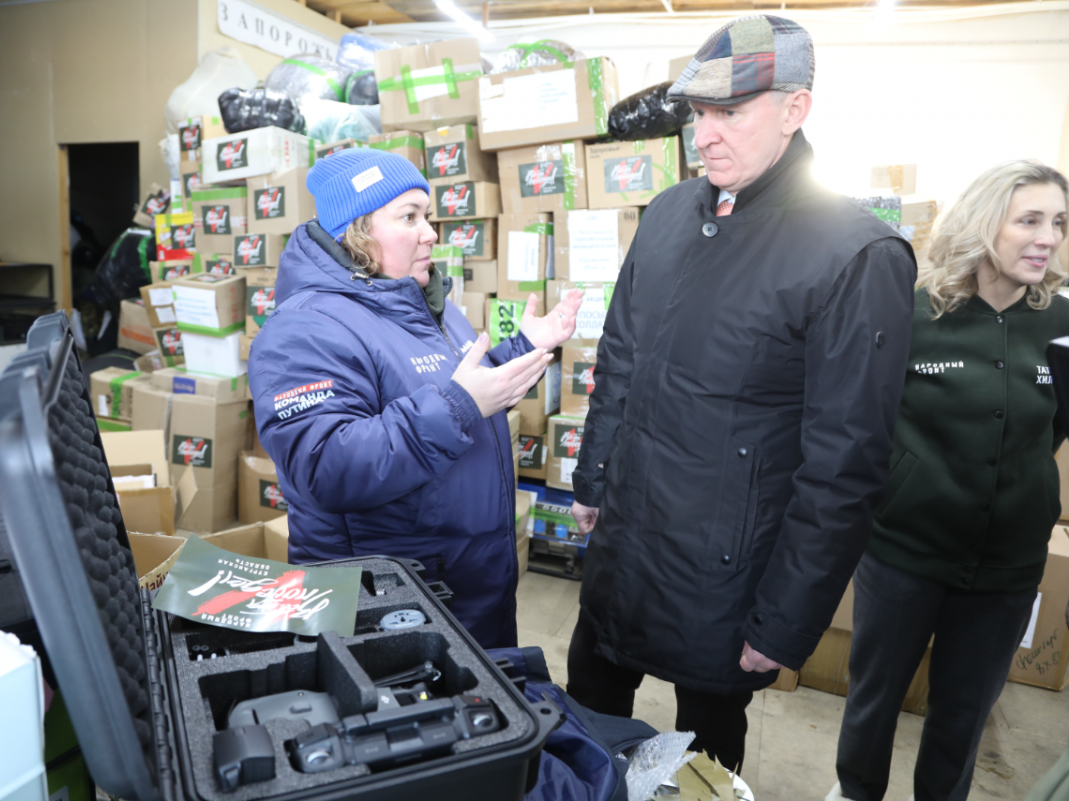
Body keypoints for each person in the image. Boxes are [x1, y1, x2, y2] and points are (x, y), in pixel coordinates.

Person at [564, 14, 918, 771]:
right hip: (626, 541)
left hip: (724, 575)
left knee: (705, 759)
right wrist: (591, 479)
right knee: (585, 719)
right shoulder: (664, 216)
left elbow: (845, 466)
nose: (705, 134)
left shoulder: (854, 253)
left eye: (730, 112)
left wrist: (786, 621)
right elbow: (619, 357)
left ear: (795, 110)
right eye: (698, 112)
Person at [247, 148, 583, 649]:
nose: (430, 232)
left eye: (426, 215)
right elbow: (325, 465)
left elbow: (455, 390)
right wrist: (460, 405)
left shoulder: (425, 302)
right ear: (356, 232)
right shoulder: (306, 328)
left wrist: (524, 349)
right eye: (409, 217)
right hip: (392, 604)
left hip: (471, 584)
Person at [829, 161, 1069, 801]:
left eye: (1059, 223)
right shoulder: (912, 310)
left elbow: (1055, 430)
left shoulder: (1061, 324)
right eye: (1030, 220)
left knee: (962, 720)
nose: (1048, 237)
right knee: (874, 704)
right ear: (985, 223)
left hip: (1007, 570)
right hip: (904, 554)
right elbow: (866, 417)